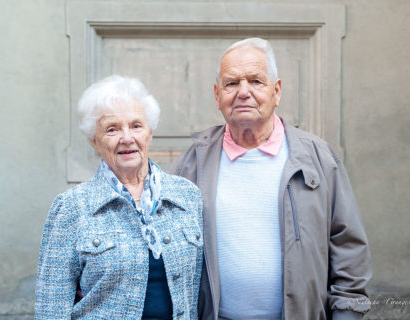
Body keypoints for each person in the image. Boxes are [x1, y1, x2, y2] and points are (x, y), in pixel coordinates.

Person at [173, 38, 372, 319]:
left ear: (276, 91)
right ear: (217, 95)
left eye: (256, 81)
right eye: (231, 84)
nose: (243, 92)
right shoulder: (191, 163)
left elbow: (347, 245)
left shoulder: (318, 159)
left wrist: (347, 314)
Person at [35, 75, 203, 319]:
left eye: (136, 126)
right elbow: (51, 308)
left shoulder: (187, 197)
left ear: (150, 133)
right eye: (112, 129)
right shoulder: (72, 207)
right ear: (95, 141)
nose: (127, 138)